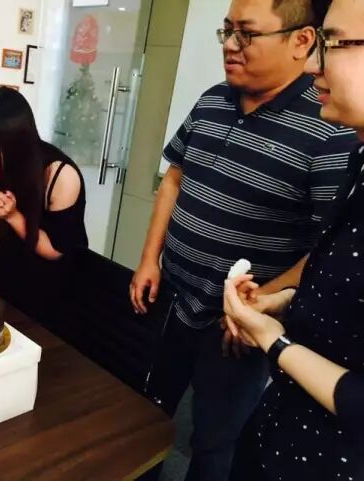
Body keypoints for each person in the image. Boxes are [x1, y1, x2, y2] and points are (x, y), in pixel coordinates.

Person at [128, 0, 357, 479]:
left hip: (236, 329)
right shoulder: (212, 99)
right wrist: (149, 259)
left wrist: (260, 304)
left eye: (247, 34)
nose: (231, 46)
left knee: (215, 442)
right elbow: (174, 177)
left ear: (301, 41)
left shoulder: (330, 127)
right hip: (173, 299)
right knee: (142, 415)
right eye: (227, 31)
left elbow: (325, 248)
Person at [225, 1, 364, 479]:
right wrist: (280, 301)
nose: (312, 66)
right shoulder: (358, 160)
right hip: (279, 429)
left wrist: (272, 338)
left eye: (334, 43)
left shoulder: (330, 143)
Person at [0, 86, 88, 322]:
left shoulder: (59, 175)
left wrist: (12, 216)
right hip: (6, 280)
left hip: (55, 292)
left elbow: (56, 251)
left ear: (16, 141)